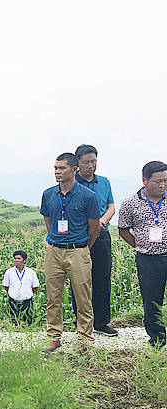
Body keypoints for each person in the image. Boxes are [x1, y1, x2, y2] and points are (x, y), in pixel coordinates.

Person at [40, 153, 100, 352]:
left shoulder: (88, 196)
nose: (57, 172)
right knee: (53, 297)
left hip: (78, 250)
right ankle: (54, 337)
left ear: (74, 170)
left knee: (82, 296)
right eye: (55, 168)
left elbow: (94, 228)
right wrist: (56, 239)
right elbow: (48, 221)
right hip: (54, 250)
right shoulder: (48, 194)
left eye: (62, 168)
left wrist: (82, 248)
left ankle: (85, 338)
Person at [68, 145, 118, 337]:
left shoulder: (104, 182)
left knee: (102, 278)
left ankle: (101, 322)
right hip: (79, 237)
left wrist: (102, 221)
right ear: (77, 164)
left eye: (93, 161)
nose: (91, 166)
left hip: (102, 236)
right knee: (78, 280)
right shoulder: (71, 183)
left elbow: (111, 206)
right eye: (86, 162)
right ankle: (80, 321)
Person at [118, 161, 167, 347]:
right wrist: (141, 246)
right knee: (152, 300)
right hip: (148, 260)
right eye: (157, 181)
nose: (162, 185)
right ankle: (157, 339)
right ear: (144, 181)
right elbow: (123, 230)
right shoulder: (131, 203)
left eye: (165, 180)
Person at [2, 250, 40, 325]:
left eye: (19, 259)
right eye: (15, 258)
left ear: (25, 260)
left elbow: (35, 287)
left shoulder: (31, 272)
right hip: (13, 301)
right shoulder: (9, 272)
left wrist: (27, 293)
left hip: (27, 301)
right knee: (13, 322)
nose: (16, 260)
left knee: (27, 323)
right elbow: (6, 286)